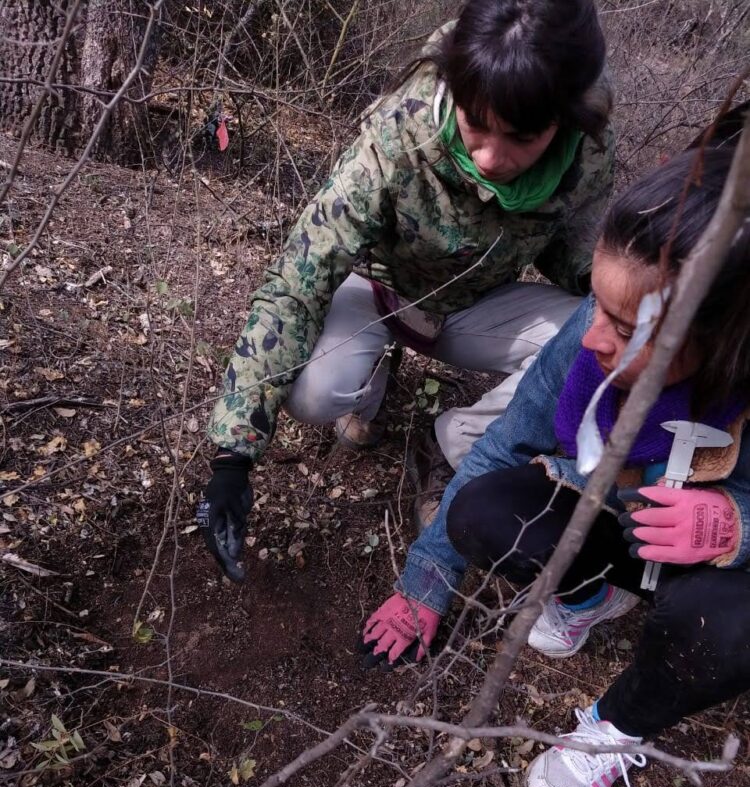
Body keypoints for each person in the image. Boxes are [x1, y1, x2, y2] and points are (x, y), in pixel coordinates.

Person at [360, 140, 750, 787]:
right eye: (597, 306)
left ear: (722, 336)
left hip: (713, 566)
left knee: (729, 624)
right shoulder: (590, 334)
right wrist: (426, 579)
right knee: (484, 510)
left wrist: (737, 524)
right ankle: (590, 595)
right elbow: (505, 446)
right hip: (623, 519)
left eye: (626, 326)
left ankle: (614, 727)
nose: (594, 336)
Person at [197, 0, 615, 581]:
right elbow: (300, 277)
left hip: (475, 306)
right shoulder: (398, 134)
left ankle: (455, 444)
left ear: (564, 120)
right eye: (476, 122)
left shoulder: (586, 154)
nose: (491, 158)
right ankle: (368, 384)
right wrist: (233, 454)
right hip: (377, 291)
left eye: (522, 136)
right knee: (315, 393)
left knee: (597, 340)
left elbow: (578, 259)